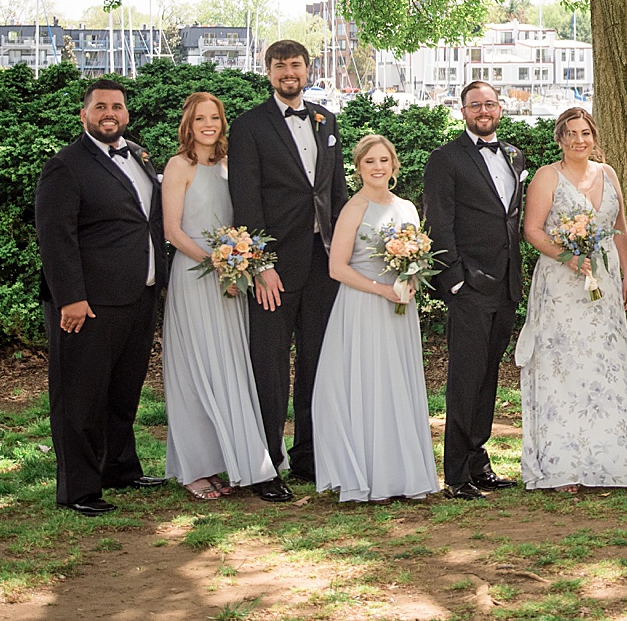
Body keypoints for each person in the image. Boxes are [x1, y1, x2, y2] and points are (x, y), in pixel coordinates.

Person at [34, 78, 169, 516]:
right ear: (84, 115)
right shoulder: (66, 165)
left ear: (126, 113)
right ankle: (79, 488)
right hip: (88, 302)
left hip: (138, 294)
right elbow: (55, 238)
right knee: (81, 396)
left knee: (122, 391)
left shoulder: (140, 156)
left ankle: (119, 469)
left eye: (117, 106)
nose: (109, 113)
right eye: (100, 107)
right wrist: (70, 297)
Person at [229, 40, 352, 499]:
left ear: (308, 68)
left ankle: (309, 456)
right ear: (268, 72)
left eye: (296, 65)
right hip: (275, 268)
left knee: (319, 363)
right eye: (279, 66)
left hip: (324, 264)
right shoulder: (249, 127)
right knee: (270, 367)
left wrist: (344, 253)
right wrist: (260, 265)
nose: (288, 72)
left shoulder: (326, 120)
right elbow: (246, 200)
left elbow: (335, 194)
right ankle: (266, 465)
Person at [516, 108, 627, 491]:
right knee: (563, 367)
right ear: (560, 138)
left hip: (602, 281)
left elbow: (619, 228)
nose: (578, 140)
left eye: (585, 132)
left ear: (594, 136)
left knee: (604, 365)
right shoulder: (546, 177)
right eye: (570, 133)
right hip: (560, 284)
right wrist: (567, 256)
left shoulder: (608, 174)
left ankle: (611, 459)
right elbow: (532, 230)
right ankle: (562, 464)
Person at [160, 92, 277, 501]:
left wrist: (238, 267)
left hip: (231, 280)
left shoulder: (230, 166)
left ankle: (226, 458)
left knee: (228, 366)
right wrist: (217, 263)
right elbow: (173, 231)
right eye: (200, 119)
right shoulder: (179, 166)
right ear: (188, 125)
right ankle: (194, 469)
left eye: (215, 118)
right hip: (195, 277)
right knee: (196, 368)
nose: (208, 125)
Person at [311, 134, 439, 503]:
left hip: (398, 308)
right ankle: (368, 474)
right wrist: (379, 288)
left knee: (395, 383)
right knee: (367, 384)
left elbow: (417, 255)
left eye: (384, 160)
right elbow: (337, 268)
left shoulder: (408, 208)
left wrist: (411, 276)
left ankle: (399, 473)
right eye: (370, 162)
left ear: (394, 165)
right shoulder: (355, 207)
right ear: (359, 168)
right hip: (363, 306)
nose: (378, 167)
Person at [424, 80, 528, 499]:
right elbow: (438, 222)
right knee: (465, 378)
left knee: (488, 377)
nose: (483, 111)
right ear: (462, 110)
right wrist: (455, 279)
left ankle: (478, 462)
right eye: (475, 105)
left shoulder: (514, 155)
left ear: (500, 108)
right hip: (469, 285)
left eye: (489, 104)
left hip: (505, 285)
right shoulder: (445, 159)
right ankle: (455, 474)